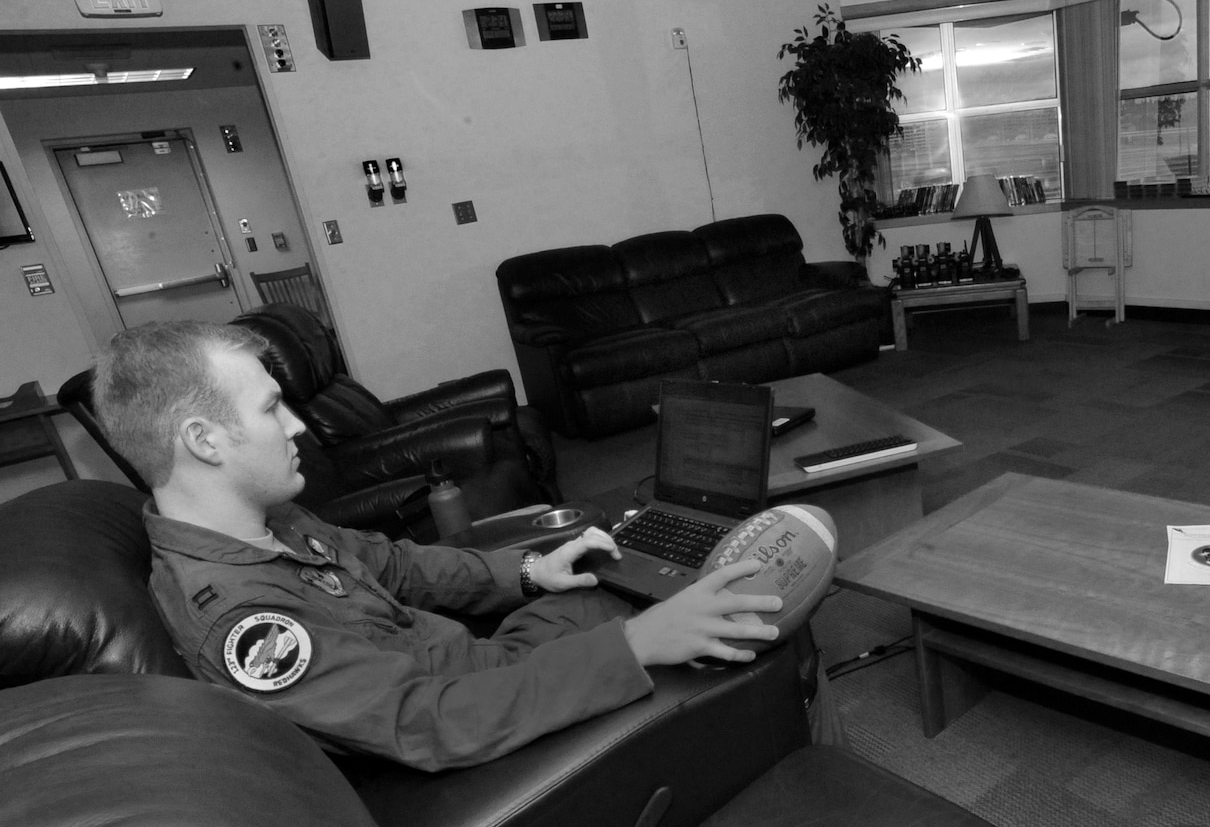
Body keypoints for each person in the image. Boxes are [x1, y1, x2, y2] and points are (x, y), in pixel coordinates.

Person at [92, 319, 784, 772]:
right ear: (203, 441)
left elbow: (398, 563)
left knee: (637, 570)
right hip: (482, 715)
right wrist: (636, 646)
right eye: (273, 407)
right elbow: (428, 722)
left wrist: (531, 569)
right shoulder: (244, 622)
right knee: (750, 631)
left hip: (491, 659)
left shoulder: (268, 521)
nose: (299, 424)